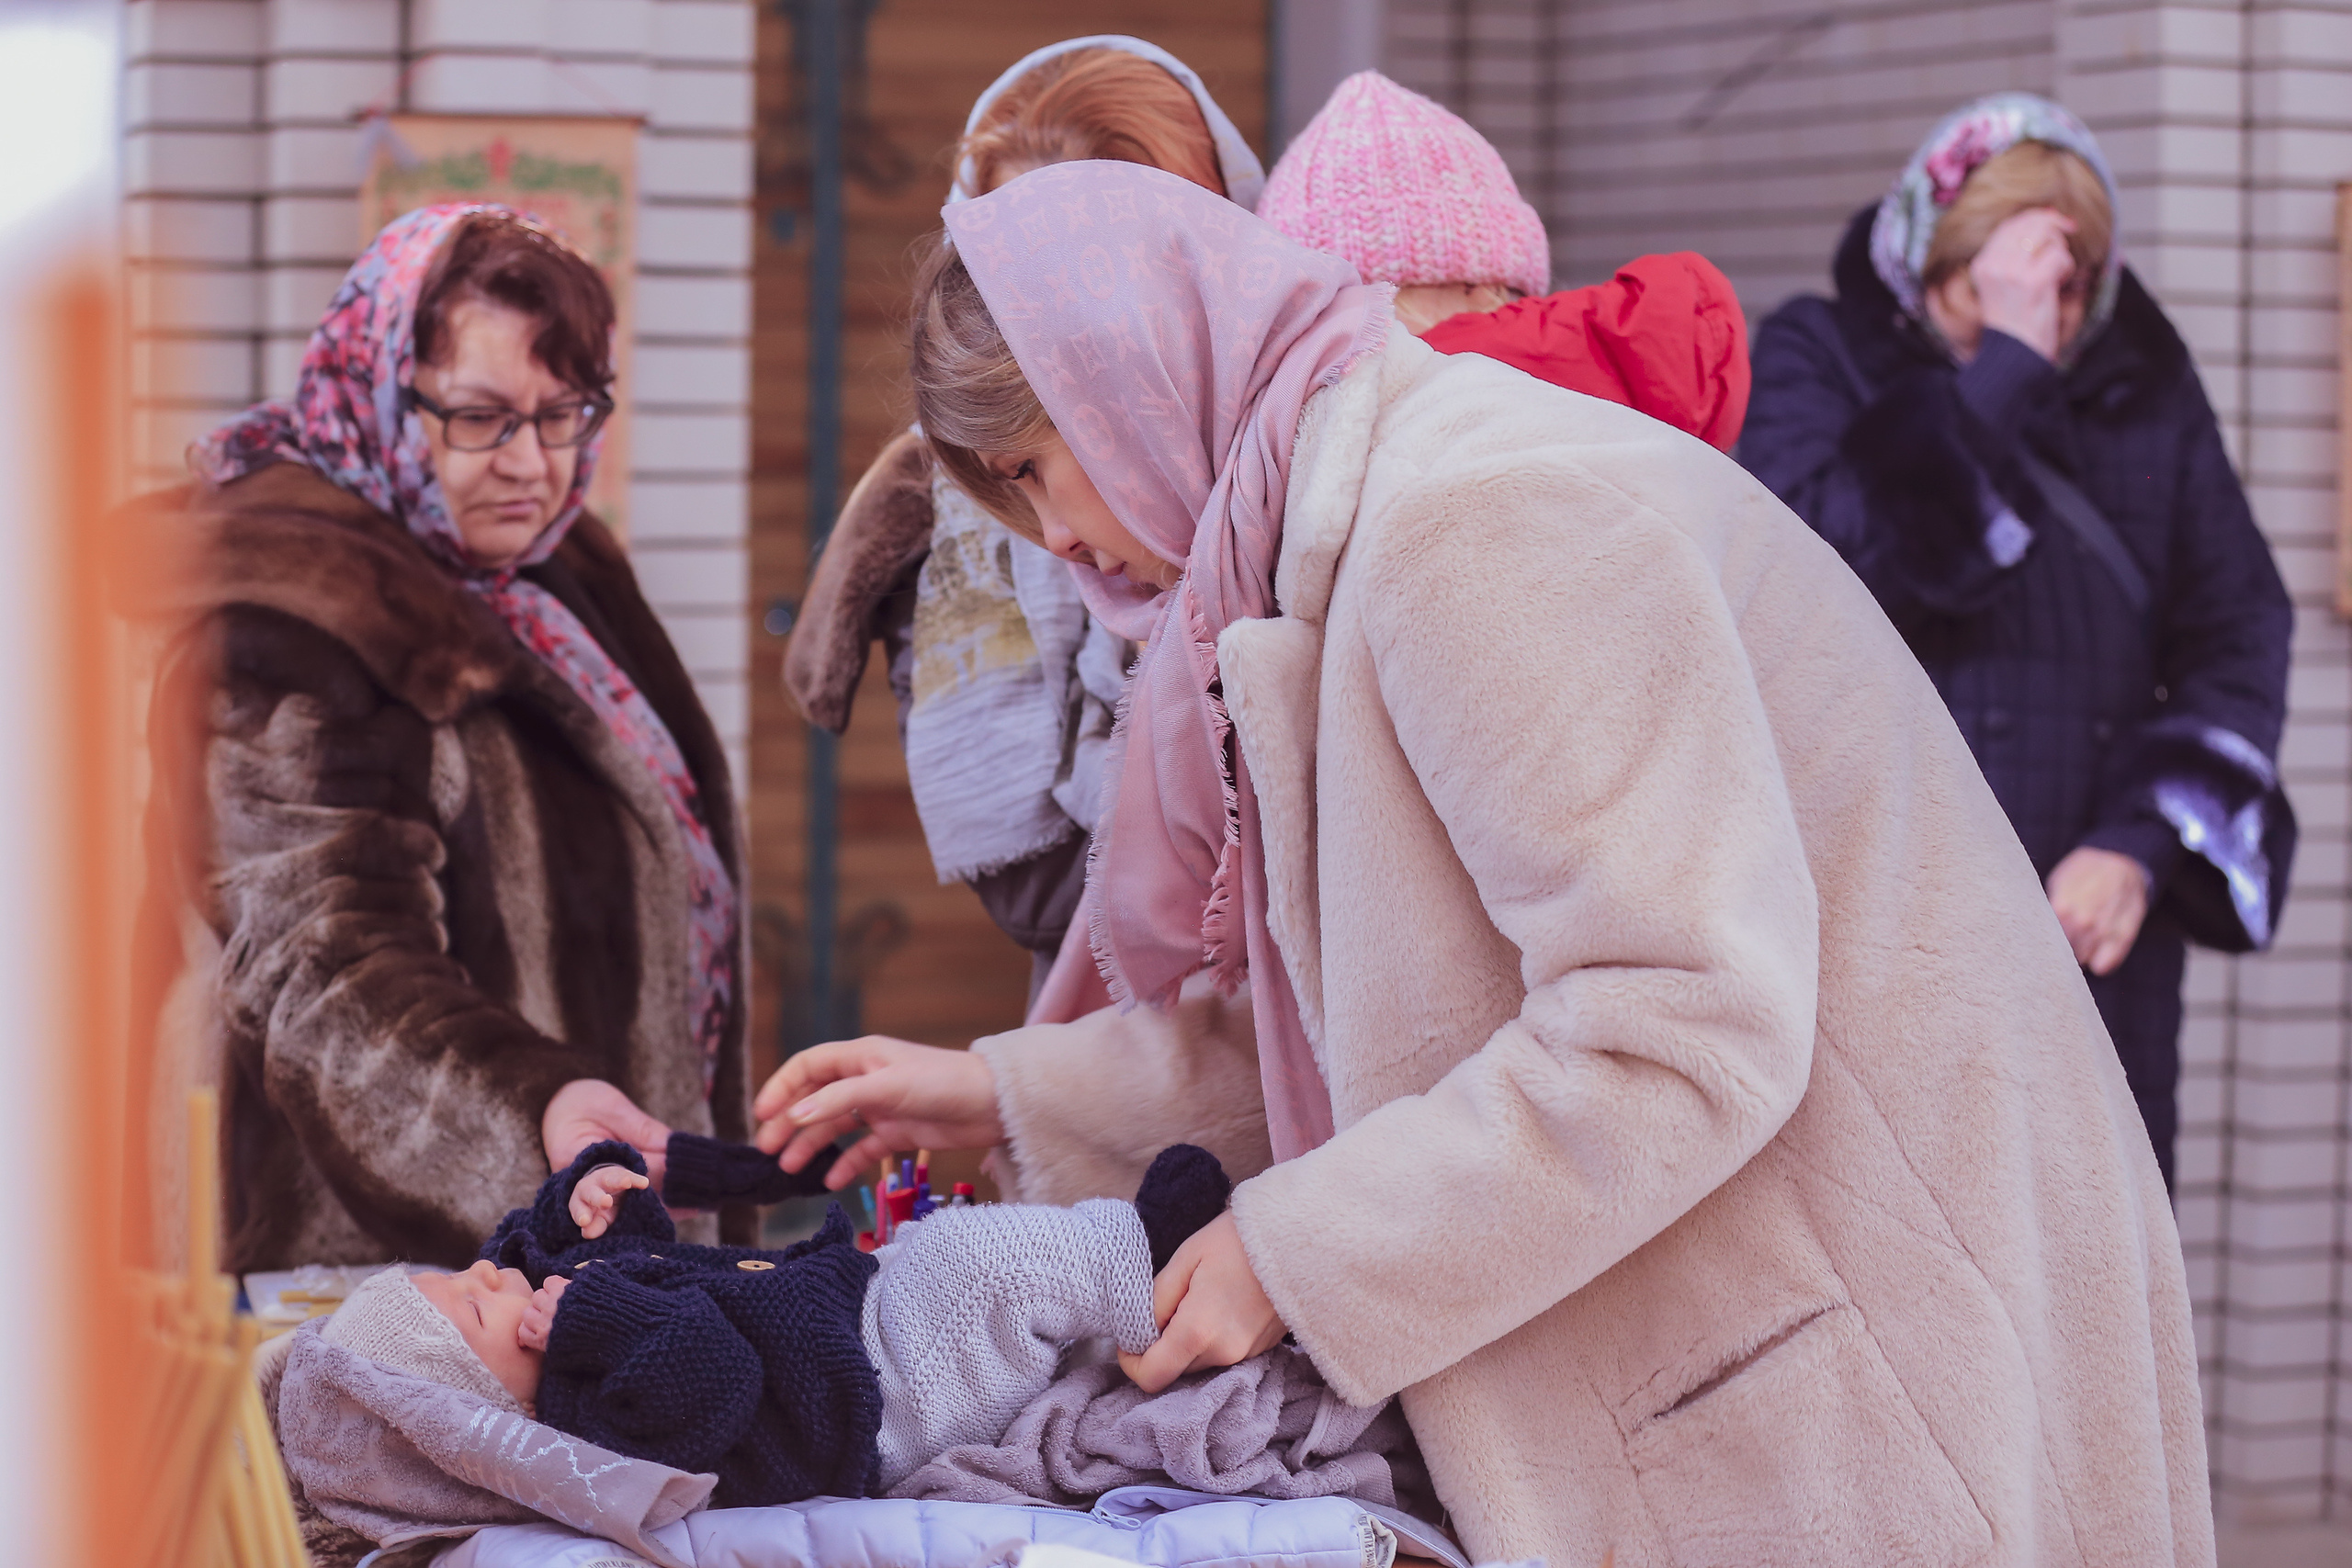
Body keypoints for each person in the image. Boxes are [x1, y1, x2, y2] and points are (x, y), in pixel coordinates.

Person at [750, 161, 2211, 1565]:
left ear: (1128, 381)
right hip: (1787, 1343)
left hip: (1866, 1381)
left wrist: (1297, 1254)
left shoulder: (1472, 516)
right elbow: (1388, 1022)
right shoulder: (1344, 527)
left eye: (1030, 466)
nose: (1055, 535)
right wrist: (1001, 1088)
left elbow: (1680, 1024)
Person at [134, 206, 752, 1272]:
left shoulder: (548, 574)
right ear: (379, 390)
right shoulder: (290, 626)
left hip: (575, 1238)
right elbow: (322, 968)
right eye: (480, 417)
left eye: (564, 414)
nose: (532, 463)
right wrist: (538, 1115)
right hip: (363, 1282)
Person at [1741, 94, 2294, 1190]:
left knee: (2088, 1275)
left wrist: (2136, 846)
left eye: (2041, 298)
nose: (1998, 323)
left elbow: (2238, 629)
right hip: (1868, 925)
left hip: (2082, 949)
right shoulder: (1820, 349)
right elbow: (1811, 573)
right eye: (1968, 294)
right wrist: (1999, 373)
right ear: (1921, 254)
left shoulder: (2146, 389)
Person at [784, 39, 1263, 991]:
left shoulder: (1278, 461)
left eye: (1100, 248)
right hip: (1093, 1015)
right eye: (1013, 248)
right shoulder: (967, 486)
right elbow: (1028, 886)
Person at [268, 1135, 1404, 1529]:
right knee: (978, 1266)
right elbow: (706, 1381)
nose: (491, 1268)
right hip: (877, 1399)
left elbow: (664, 1273)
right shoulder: (588, 1426)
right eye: (476, 1303)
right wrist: (600, 1312)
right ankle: (1144, 1266)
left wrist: (593, 1211)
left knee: (952, 1249)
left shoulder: (562, 1329)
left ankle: (1120, 1254)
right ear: (494, 1418)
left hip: (845, 1317)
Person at [1258, 70, 1749, 450]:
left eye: (1336, 310)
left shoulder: (1411, 425)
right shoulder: (1602, 405)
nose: (1311, 349)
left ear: (1469, 283)